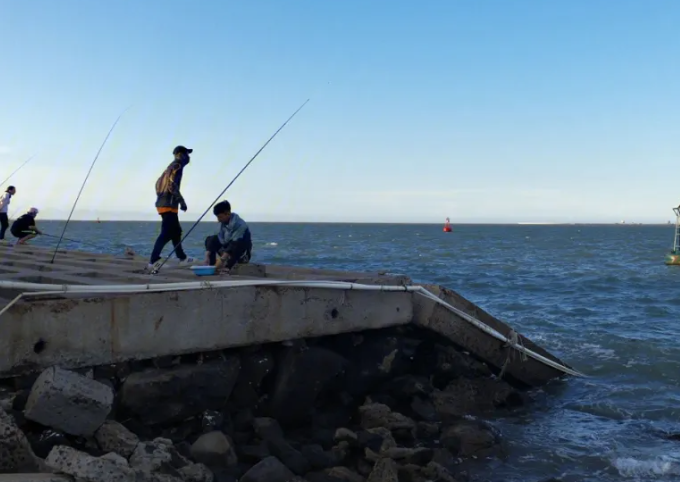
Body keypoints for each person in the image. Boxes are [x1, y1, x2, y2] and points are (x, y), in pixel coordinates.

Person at [149, 145, 195, 270]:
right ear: (180, 154)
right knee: (166, 233)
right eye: (187, 154)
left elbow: (158, 183)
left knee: (176, 232)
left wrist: (161, 197)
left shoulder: (169, 168)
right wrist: (181, 201)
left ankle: (182, 258)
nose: (188, 157)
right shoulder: (177, 166)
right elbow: (172, 185)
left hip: (165, 204)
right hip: (168, 205)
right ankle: (153, 260)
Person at [203, 200, 252, 272]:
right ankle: (211, 263)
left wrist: (221, 261)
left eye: (220, 217)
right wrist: (207, 256)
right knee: (211, 239)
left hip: (240, 254)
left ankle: (227, 267)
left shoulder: (241, 225)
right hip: (227, 251)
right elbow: (220, 240)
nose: (218, 220)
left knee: (236, 242)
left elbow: (234, 244)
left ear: (228, 214)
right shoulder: (224, 223)